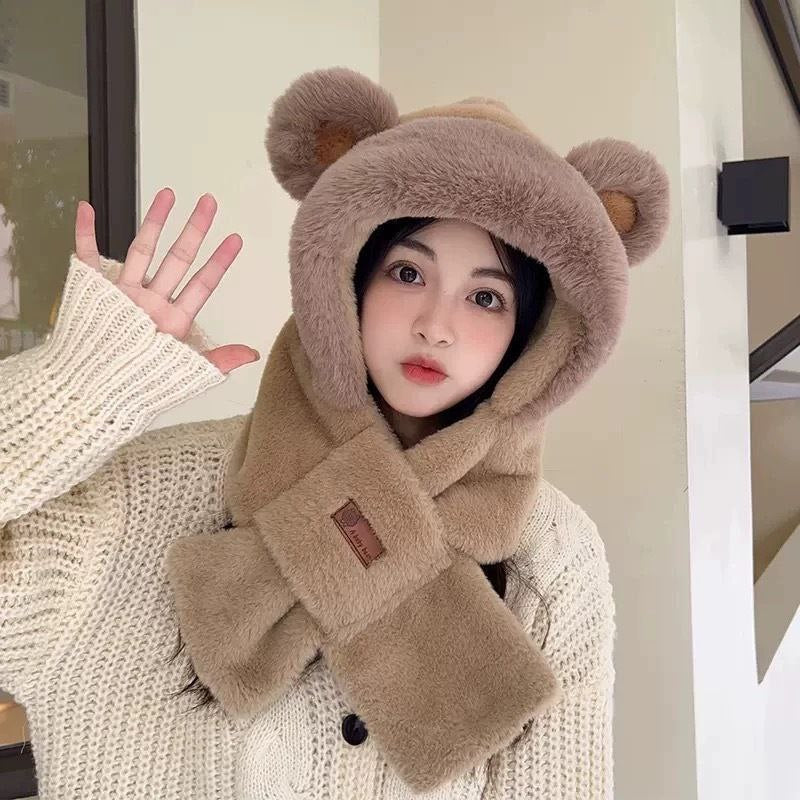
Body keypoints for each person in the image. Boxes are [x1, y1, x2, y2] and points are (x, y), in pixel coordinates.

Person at [0, 66, 669, 799]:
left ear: (533, 338)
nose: (436, 325)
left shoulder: (552, 555)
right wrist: (81, 383)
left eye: (486, 297)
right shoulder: (144, 499)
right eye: (408, 274)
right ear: (347, 279)